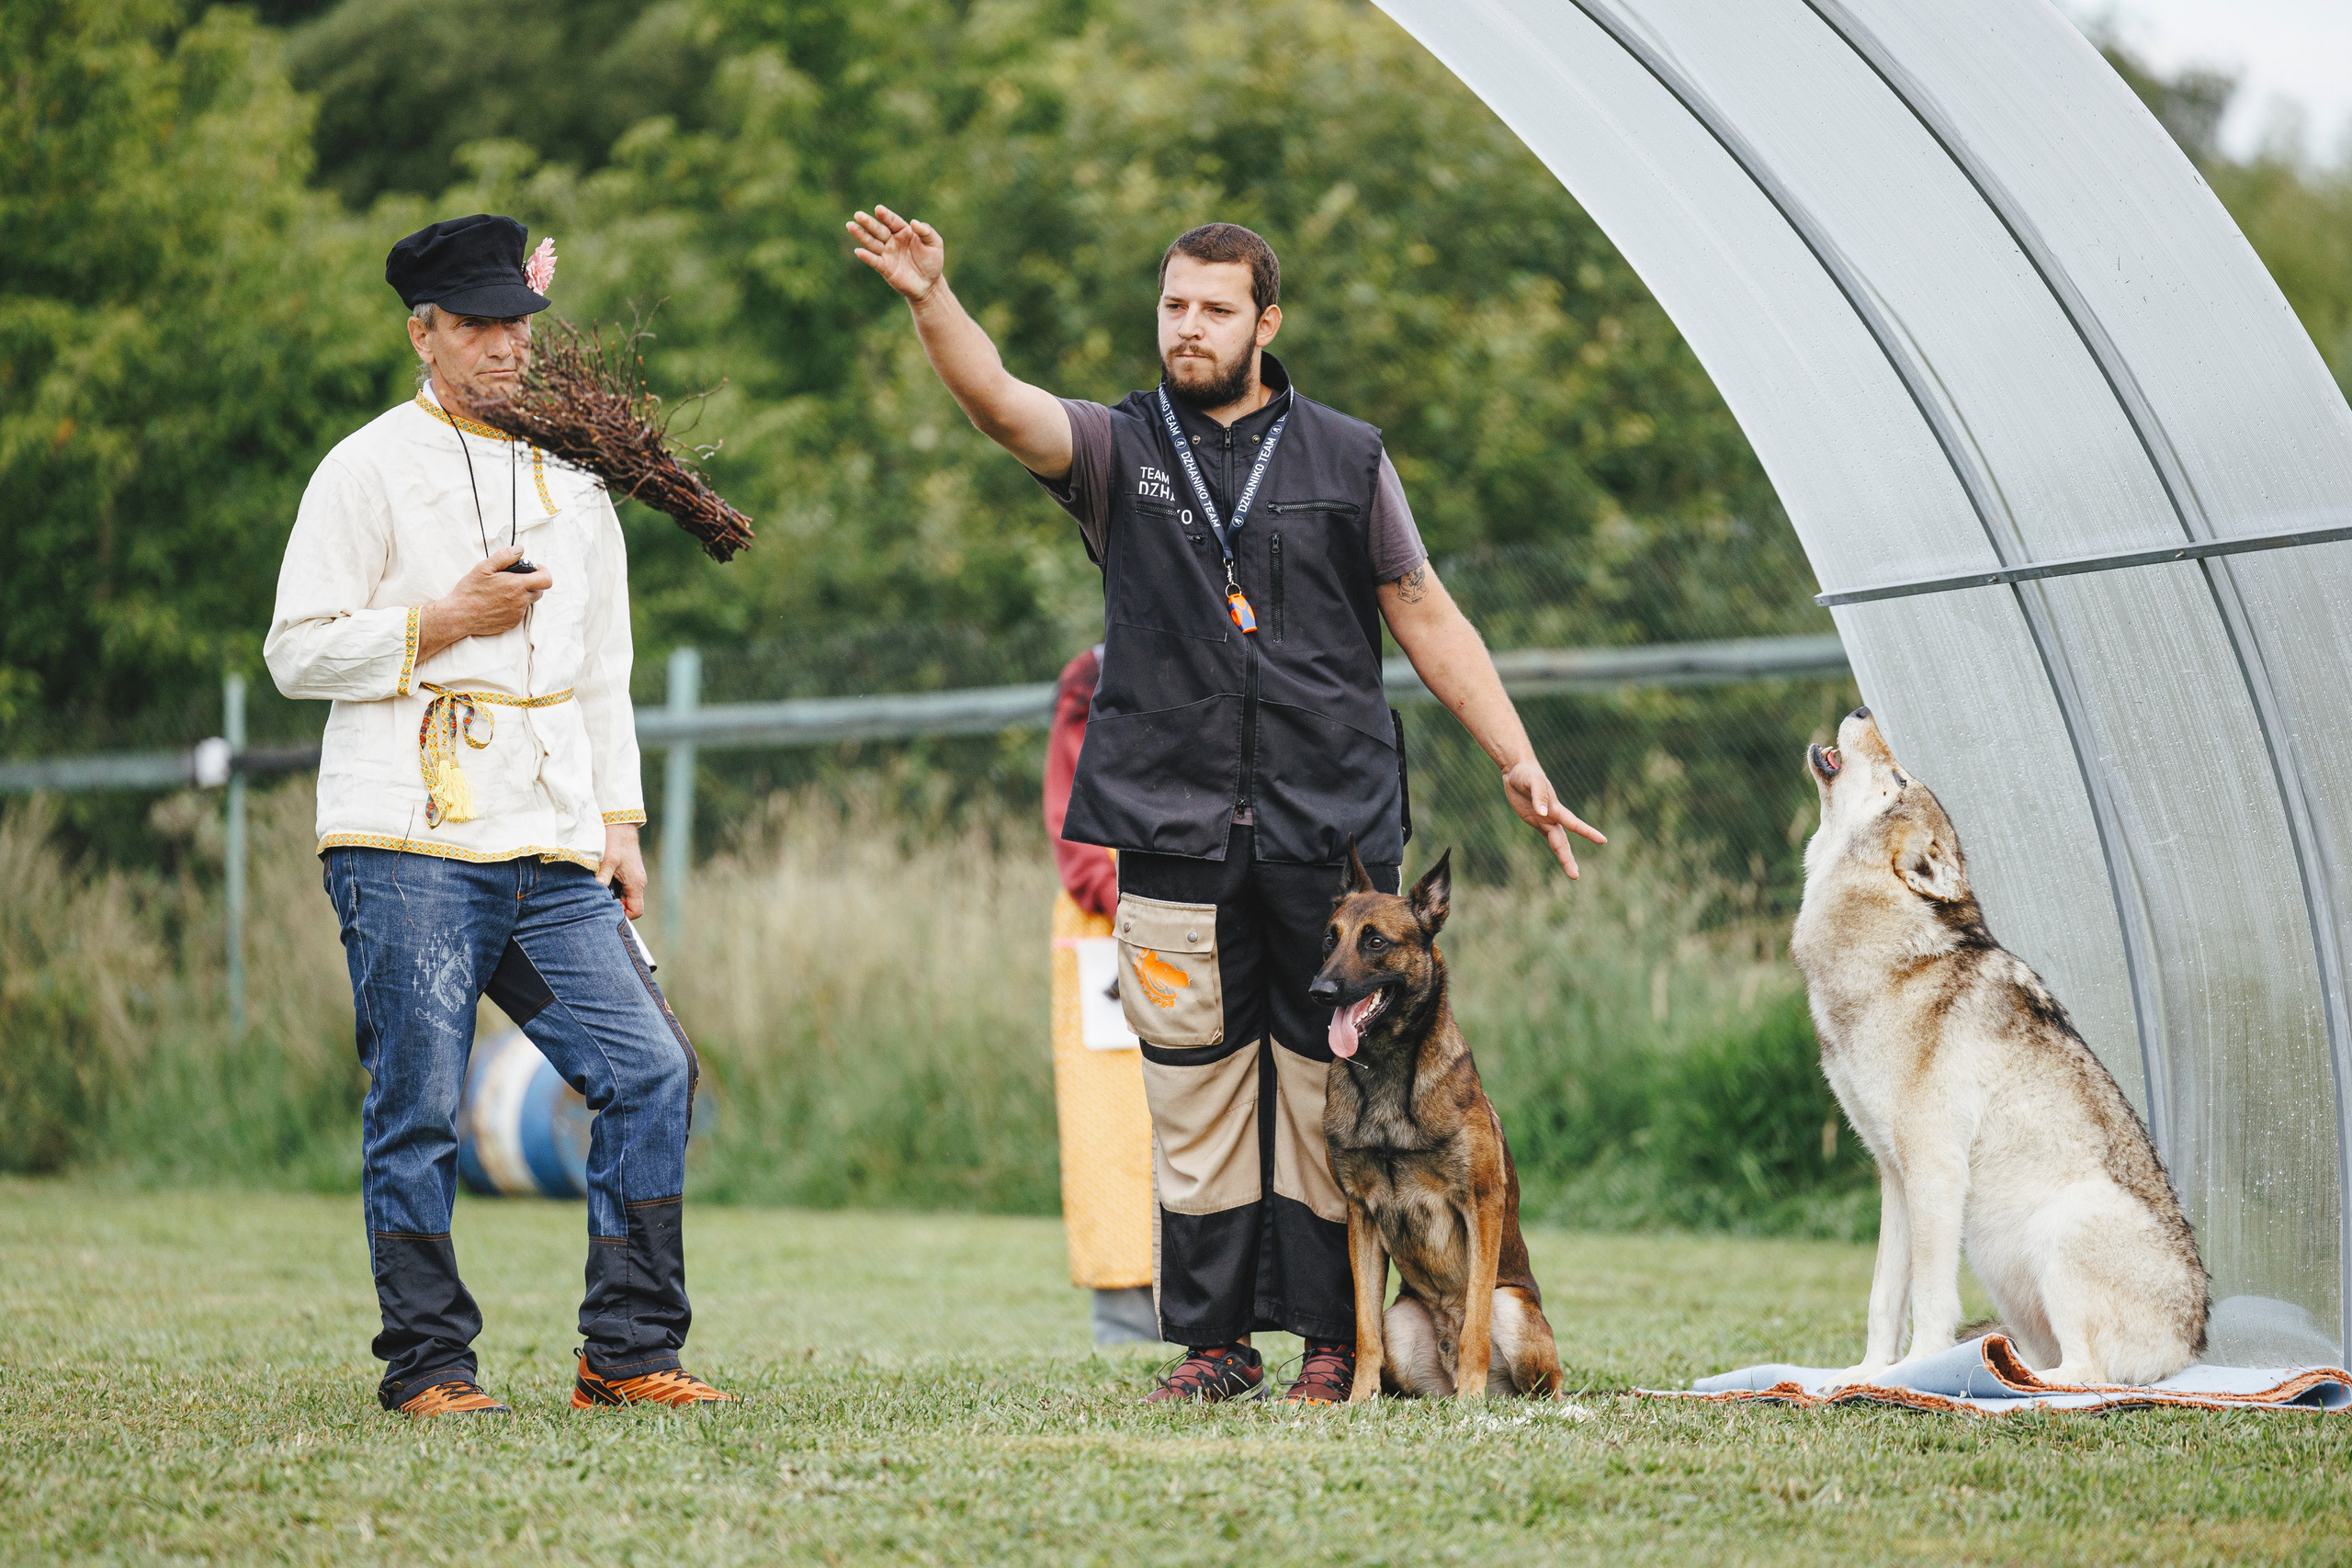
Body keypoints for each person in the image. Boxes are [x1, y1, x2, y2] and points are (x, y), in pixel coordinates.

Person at [849, 209, 1603, 1404]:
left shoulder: (1348, 457)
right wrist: (932, 298)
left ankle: (1332, 1346)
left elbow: (1422, 606)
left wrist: (1514, 755)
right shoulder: (1116, 448)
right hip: (1173, 820)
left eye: (1214, 308)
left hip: (1331, 832)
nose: (1188, 327)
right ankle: (1214, 1346)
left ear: (1267, 322)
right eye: (1173, 306)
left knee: (1325, 1088)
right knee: (1191, 1087)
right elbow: (998, 401)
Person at [265, 213, 736, 1416]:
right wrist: (443, 621)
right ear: (421, 333)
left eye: (515, 321)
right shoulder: (364, 467)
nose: (504, 344)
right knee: (419, 1106)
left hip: (550, 840)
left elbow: (603, 668)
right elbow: (295, 653)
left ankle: (625, 1352)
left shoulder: (575, 475)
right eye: (475, 325)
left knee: (649, 1069)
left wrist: (618, 824)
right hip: (405, 835)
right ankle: (428, 1364)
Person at [1043, 645, 1159, 1346]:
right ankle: (1125, 1318)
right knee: (1111, 1127)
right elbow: (1075, 822)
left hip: (1197, 911)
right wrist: (1130, 904)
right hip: (1104, 924)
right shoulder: (1091, 675)